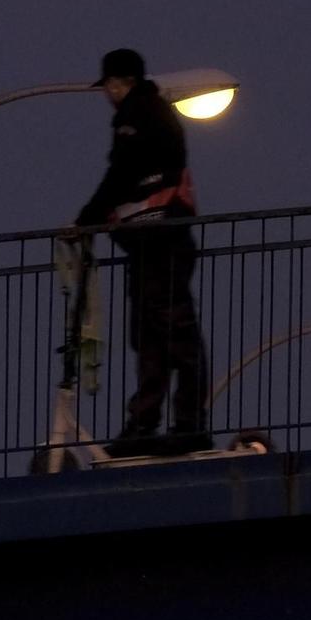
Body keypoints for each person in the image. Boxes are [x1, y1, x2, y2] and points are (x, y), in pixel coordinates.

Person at [74, 48, 213, 456]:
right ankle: (154, 424)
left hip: (158, 240)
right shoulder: (151, 113)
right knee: (155, 333)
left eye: (110, 86)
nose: (108, 94)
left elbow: (121, 172)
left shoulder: (138, 114)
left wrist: (86, 220)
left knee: (170, 331)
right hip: (154, 240)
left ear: (121, 83)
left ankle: (171, 425)